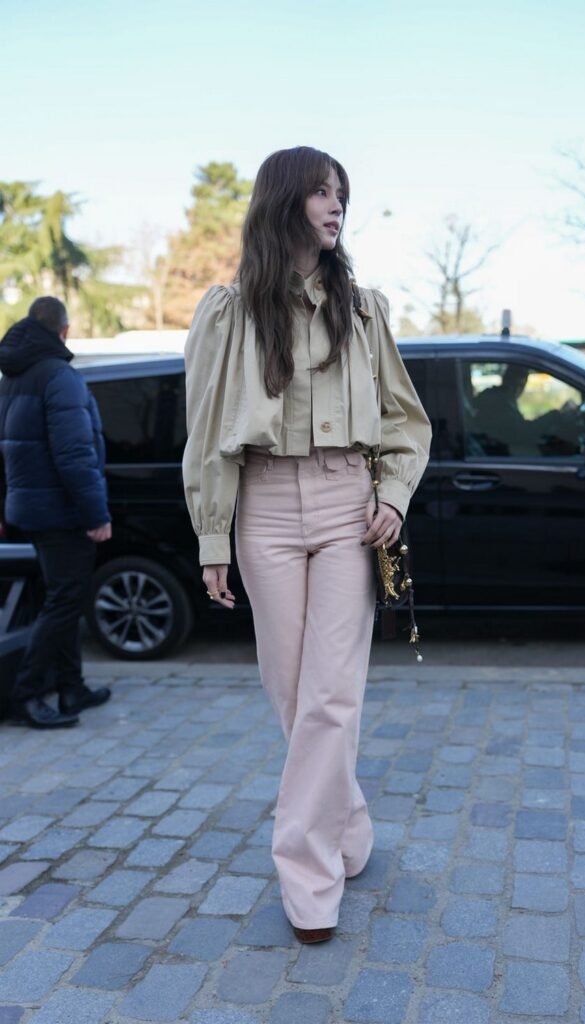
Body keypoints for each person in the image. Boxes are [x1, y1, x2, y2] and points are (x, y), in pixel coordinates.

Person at [183, 146, 431, 944]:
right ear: (284, 201)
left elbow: (405, 420)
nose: (335, 205)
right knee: (291, 691)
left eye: (341, 194)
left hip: (343, 505)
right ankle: (348, 823)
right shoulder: (226, 311)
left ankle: (307, 874)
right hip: (260, 507)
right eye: (321, 192)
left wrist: (391, 493)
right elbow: (204, 436)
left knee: (332, 695)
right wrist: (210, 534)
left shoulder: (363, 309)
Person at [0, 296, 112, 729]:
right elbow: (74, 455)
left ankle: (71, 688)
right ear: (63, 331)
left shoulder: (13, 377)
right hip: (63, 512)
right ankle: (26, 695)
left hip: (31, 507)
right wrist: (95, 514)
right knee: (65, 600)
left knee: (66, 596)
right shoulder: (59, 376)